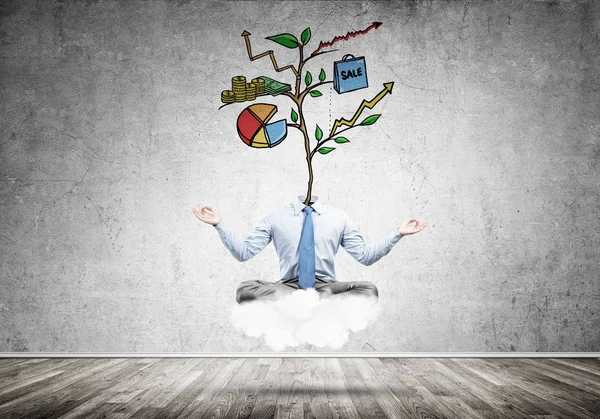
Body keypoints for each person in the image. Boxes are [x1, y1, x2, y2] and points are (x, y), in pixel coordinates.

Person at [192, 195, 427, 303]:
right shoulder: (276, 216)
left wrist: (398, 234)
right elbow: (244, 253)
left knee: (369, 290)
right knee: (244, 290)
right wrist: (218, 225)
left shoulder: (338, 217)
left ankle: (314, 300)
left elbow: (364, 257)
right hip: (288, 285)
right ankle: (306, 301)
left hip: (327, 285)